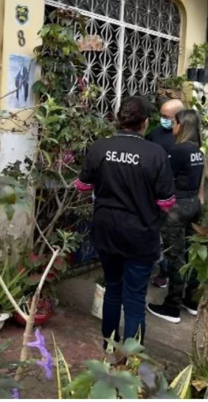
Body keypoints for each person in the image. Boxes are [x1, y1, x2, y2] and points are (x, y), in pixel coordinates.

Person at [75, 96, 175, 344]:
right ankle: (129, 361)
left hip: (106, 231)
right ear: (146, 123)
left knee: (112, 290)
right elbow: (166, 202)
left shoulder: (99, 147)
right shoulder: (156, 154)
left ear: (120, 120)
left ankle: (109, 346)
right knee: (134, 299)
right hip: (140, 236)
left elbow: (82, 186)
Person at [147, 109, 207, 323]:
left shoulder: (179, 150)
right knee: (192, 256)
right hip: (194, 204)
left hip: (177, 207)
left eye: (175, 123)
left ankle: (172, 306)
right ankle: (190, 301)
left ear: (183, 126)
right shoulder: (197, 151)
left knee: (176, 257)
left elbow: (164, 178)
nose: (172, 126)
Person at [147, 98, 184, 288]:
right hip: (153, 192)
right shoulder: (155, 133)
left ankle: (168, 273)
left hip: (174, 196)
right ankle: (161, 269)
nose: (163, 119)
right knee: (155, 235)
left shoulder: (184, 139)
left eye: (167, 117)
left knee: (171, 238)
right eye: (161, 115)